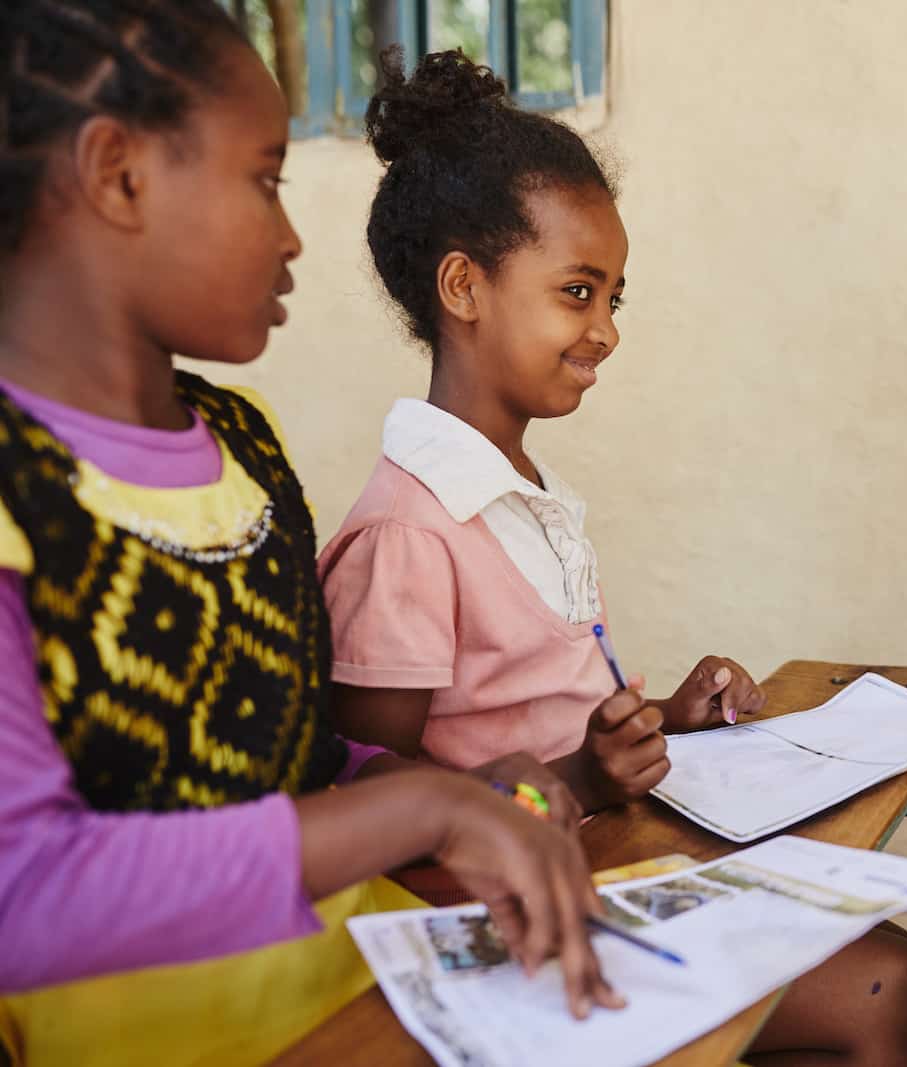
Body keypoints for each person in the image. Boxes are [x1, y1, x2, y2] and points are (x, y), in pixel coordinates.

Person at [0, 7, 617, 1064]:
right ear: (118, 173)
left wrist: (469, 796)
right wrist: (423, 807)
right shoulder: (20, 490)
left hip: (359, 991)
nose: (290, 236)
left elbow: (307, 756)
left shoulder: (242, 446)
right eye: (265, 178)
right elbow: (25, 890)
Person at [319, 49, 907, 1067]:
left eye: (615, 297)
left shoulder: (528, 498)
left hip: (604, 859)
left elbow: (544, 711)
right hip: (503, 924)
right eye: (577, 291)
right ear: (465, 287)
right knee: (885, 987)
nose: (605, 329)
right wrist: (582, 770)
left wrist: (655, 731)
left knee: (881, 960)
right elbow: (373, 807)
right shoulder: (408, 531)